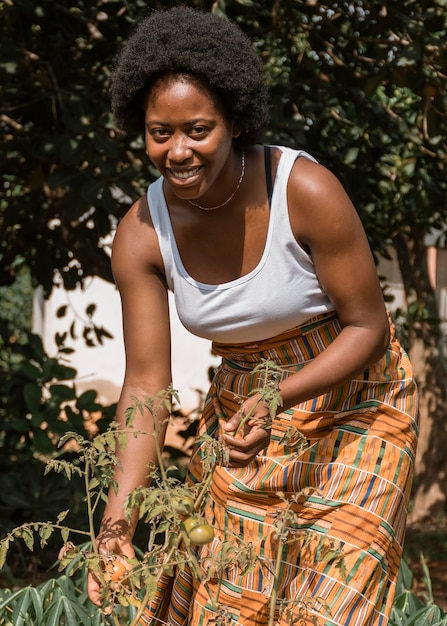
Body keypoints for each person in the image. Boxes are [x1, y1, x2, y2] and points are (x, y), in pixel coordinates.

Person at [87, 7, 419, 626]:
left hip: (358, 405)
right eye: (160, 132)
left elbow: (368, 328)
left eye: (198, 129)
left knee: (329, 604)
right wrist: (116, 525)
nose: (178, 150)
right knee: (234, 604)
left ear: (235, 120)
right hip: (244, 417)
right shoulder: (141, 234)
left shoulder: (305, 190)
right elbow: (144, 387)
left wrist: (279, 396)